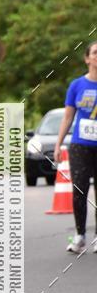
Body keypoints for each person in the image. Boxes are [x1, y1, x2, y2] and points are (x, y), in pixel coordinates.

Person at [54, 40, 97, 253]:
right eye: (95, 53)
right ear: (87, 58)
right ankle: (80, 235)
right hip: (80, 146)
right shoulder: (77, 85)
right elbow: (68, 117)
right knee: (79, 190)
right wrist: (58, 143)